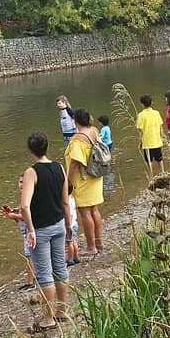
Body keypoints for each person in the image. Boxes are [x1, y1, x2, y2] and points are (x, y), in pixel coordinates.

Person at [19, 132, 74, 332]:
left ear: (30, 150)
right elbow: (65, 201)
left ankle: (48, 318)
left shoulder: (31, 173)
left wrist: (30, 230)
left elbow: (25, 206)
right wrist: (68, 225)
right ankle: (62, 311)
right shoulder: (59, 167)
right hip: (59, 224)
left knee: (44, 274)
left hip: (40, 229)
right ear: (47, 147)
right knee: (60, 268)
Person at [64, 109, 106, 258]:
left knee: (85, 211)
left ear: (75, 121)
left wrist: (68, 181)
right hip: (96, 175)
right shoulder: (94, 131)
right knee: (94, 209)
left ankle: (91, 246)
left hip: (83, 178)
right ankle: (99, 242)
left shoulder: (77, 139)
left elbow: (75, 162)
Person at [2, 175, 36, 290]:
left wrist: (13, 216)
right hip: (27, 230)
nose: (22, 184)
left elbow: (28, 215)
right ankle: (34, 278)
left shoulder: (30, 196)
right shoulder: (26, 195)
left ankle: (31, 282)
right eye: (20, 182)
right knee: (32, 256)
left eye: (24, 182)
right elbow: (23, 208)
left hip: (30, 232)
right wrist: (15, 210)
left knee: (29, 256)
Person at [135, 94, 166, 178]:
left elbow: (140, 131)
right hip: (157, 140)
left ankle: (151, 176)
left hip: (147, 142)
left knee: (149, 161)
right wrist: (162, 136)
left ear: (142, 104)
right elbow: (161, 127)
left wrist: (140, 142)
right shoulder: (156, 113)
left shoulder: (141, 115)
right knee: (159, 159)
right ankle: (163, 173)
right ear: (151, 103)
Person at [65, 184, 81, 267]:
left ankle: (70, 259)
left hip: (70, 224)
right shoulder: (72, 198)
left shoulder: (66, 201)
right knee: (74, 241)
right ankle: (76, 257)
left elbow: (70, 214)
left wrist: (68, 226)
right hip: (75, 223)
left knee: (69, 242)